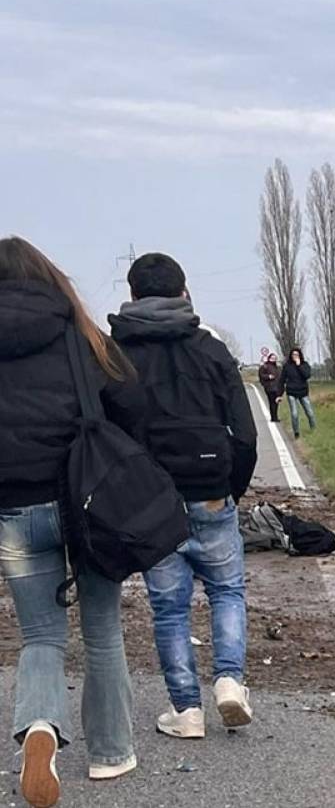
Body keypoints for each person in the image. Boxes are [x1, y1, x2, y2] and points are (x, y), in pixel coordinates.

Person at [0, 237, 140, 805]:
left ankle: (39, 728)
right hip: (87, 502)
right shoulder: (81, 337)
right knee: (103, 630)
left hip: (13, 506)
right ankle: (110, 753)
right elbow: (133, 405)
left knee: (40, 635)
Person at [109, 253, 257, 740]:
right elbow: (246, 435)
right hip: (213, 492)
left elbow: (105, 435)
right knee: (227, 590)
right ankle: (230, 681)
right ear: (184, 292)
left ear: (131, 296)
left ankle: (186, 710)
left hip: (154, 504)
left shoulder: (115, 355)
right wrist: (229, 489)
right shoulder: (211, 350)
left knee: (170, 609)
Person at [281, 347, 315, 439]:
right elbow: (282, 380)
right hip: (291, 392)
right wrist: (279, 394)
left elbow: (307, 375)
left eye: (296, 355)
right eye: (293, 355)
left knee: (310, 412)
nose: (295, 356)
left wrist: (299, 365)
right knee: (294, 414)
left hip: (303, 392)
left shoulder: (305, 364)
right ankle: (296, 433)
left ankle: (314, 430)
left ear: (300, 355)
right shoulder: (287, 366)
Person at [258, 352, 283, 422]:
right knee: (272, 402)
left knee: (276, 402)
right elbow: (261, 375)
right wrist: (268, 376)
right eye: (272, 358)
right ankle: (273, 417)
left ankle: (275, 416)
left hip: (277, 387)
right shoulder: (265, 366)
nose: (273, 359)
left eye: (275, 358)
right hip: (269, 387)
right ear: (269, 358)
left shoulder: (278, 367)